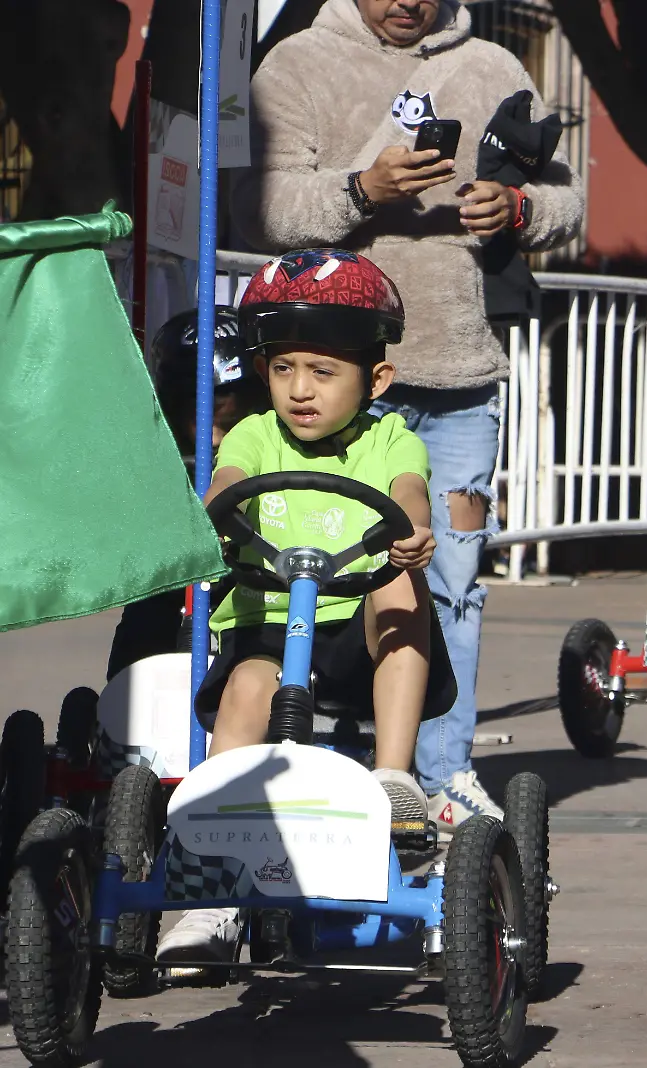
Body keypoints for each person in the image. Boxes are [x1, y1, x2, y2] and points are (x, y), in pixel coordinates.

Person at [233, 0, 585, 833]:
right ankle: (290, 765)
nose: (409, 2)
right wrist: (363, 190)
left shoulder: (496, 66)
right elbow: (265, 210)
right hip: (331, 388)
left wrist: (523, 211)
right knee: (303, 577)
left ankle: (440, 778)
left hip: (459, 379)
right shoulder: (296, 65)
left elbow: (571, 204)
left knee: (452, 582)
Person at [158, 249, 456, 964]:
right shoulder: (257, 434)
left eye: (323, 373)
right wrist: (210, 514)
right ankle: (212, 881)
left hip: (355, 631)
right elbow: (226, 479)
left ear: (375, 378)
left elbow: (408, 491)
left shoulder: (390, 437)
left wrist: (413, 529)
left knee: (396, 579)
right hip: (267, 627)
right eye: (284, 368)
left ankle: (393, 776)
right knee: (245, 695)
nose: (300, 390)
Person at [108, 307, 270, 679]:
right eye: (197, 419)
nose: (213, 438)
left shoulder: (275, 450)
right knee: (150, 608)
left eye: (229, 422)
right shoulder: (150, 456)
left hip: (258, 590)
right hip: (171, 601)